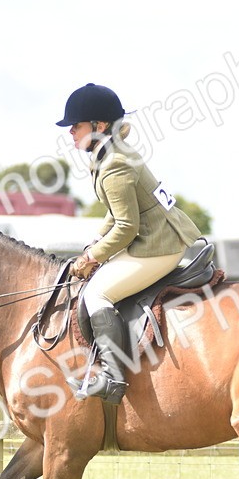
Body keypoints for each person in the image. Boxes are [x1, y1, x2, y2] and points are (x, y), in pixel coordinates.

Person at [57, 83, 202, 404]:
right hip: (154, 236)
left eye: (76, 126)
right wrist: (93, 245)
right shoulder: (109, 155)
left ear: (100, 126)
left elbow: (126, 226)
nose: (70, 132)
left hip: (158, 245)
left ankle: (112, 378)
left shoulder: (114, 163)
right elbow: (115, 214)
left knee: (97, 294)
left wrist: (93, 257)